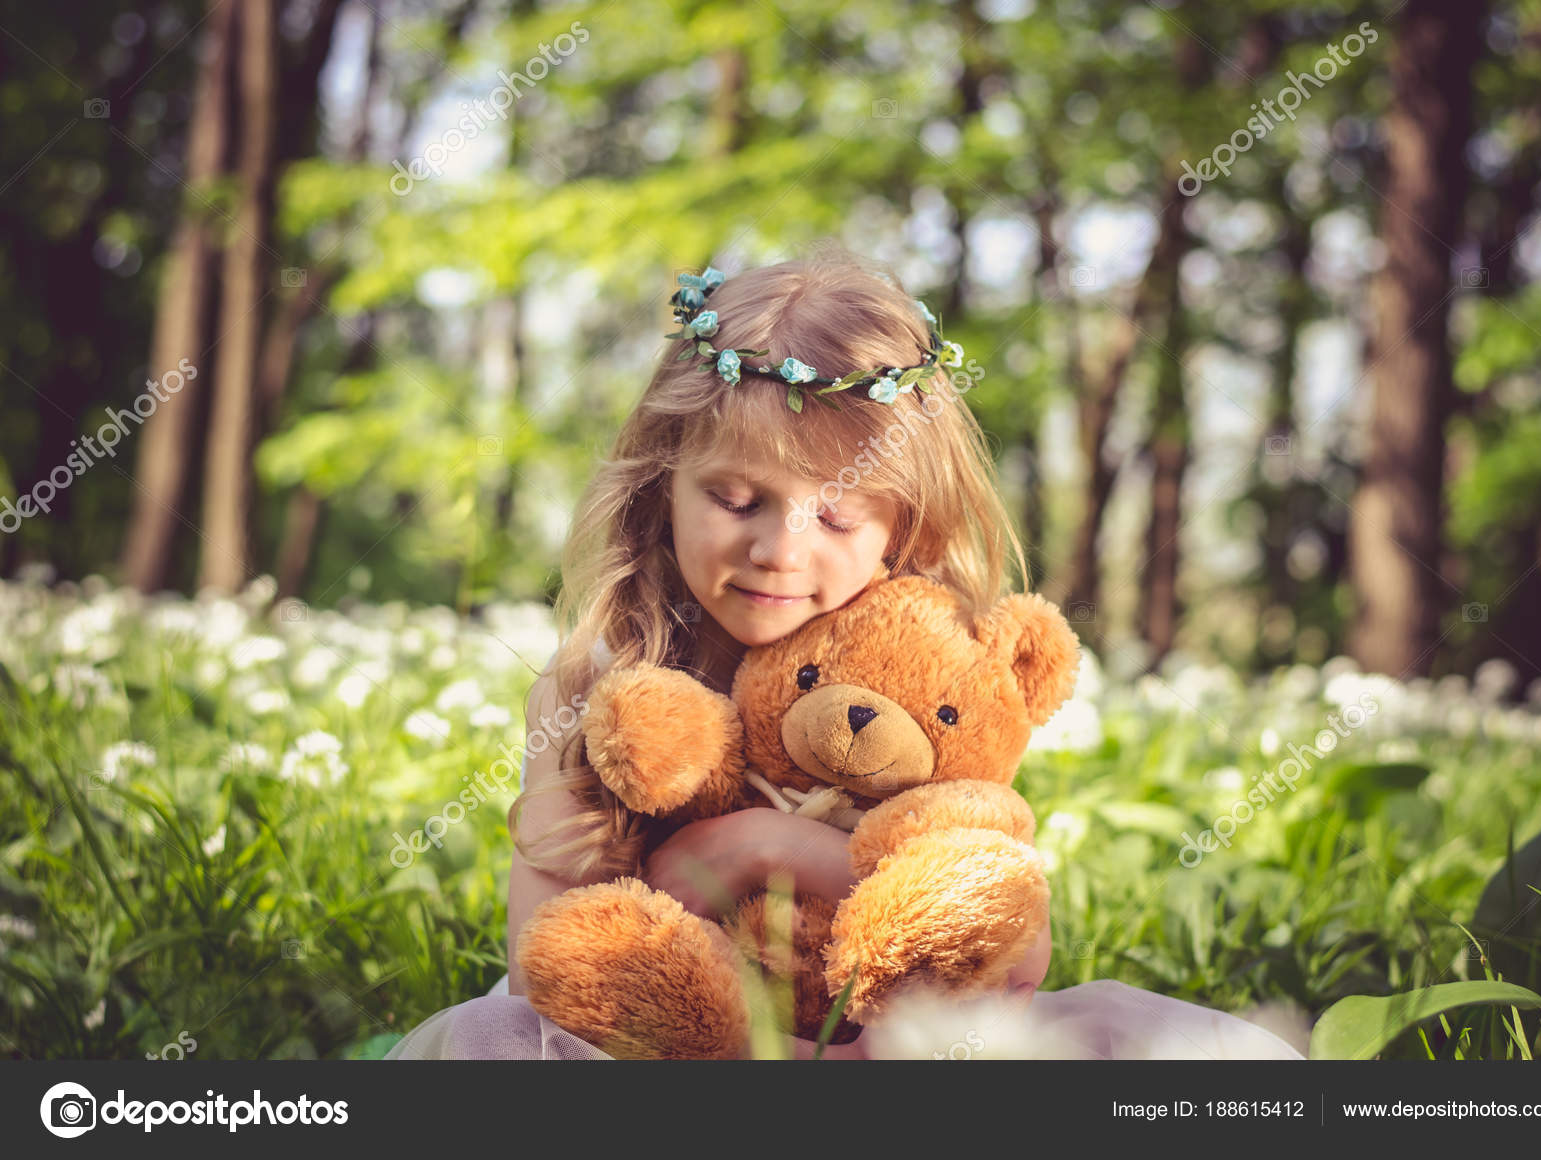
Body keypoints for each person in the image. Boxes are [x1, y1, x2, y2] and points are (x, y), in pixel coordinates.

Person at [386, 244, 1305, 1061]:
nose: (781, 550)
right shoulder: (597, 683)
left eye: (835, 514)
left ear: (901, 524)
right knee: (489, 1043)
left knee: (1177, 1051)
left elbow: (1013, 944)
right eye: (736, 500)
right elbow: (546, 953)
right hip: (658, 1053)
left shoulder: (930, 681)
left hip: (895, 1047)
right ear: (662, 484)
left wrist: (756, 843)